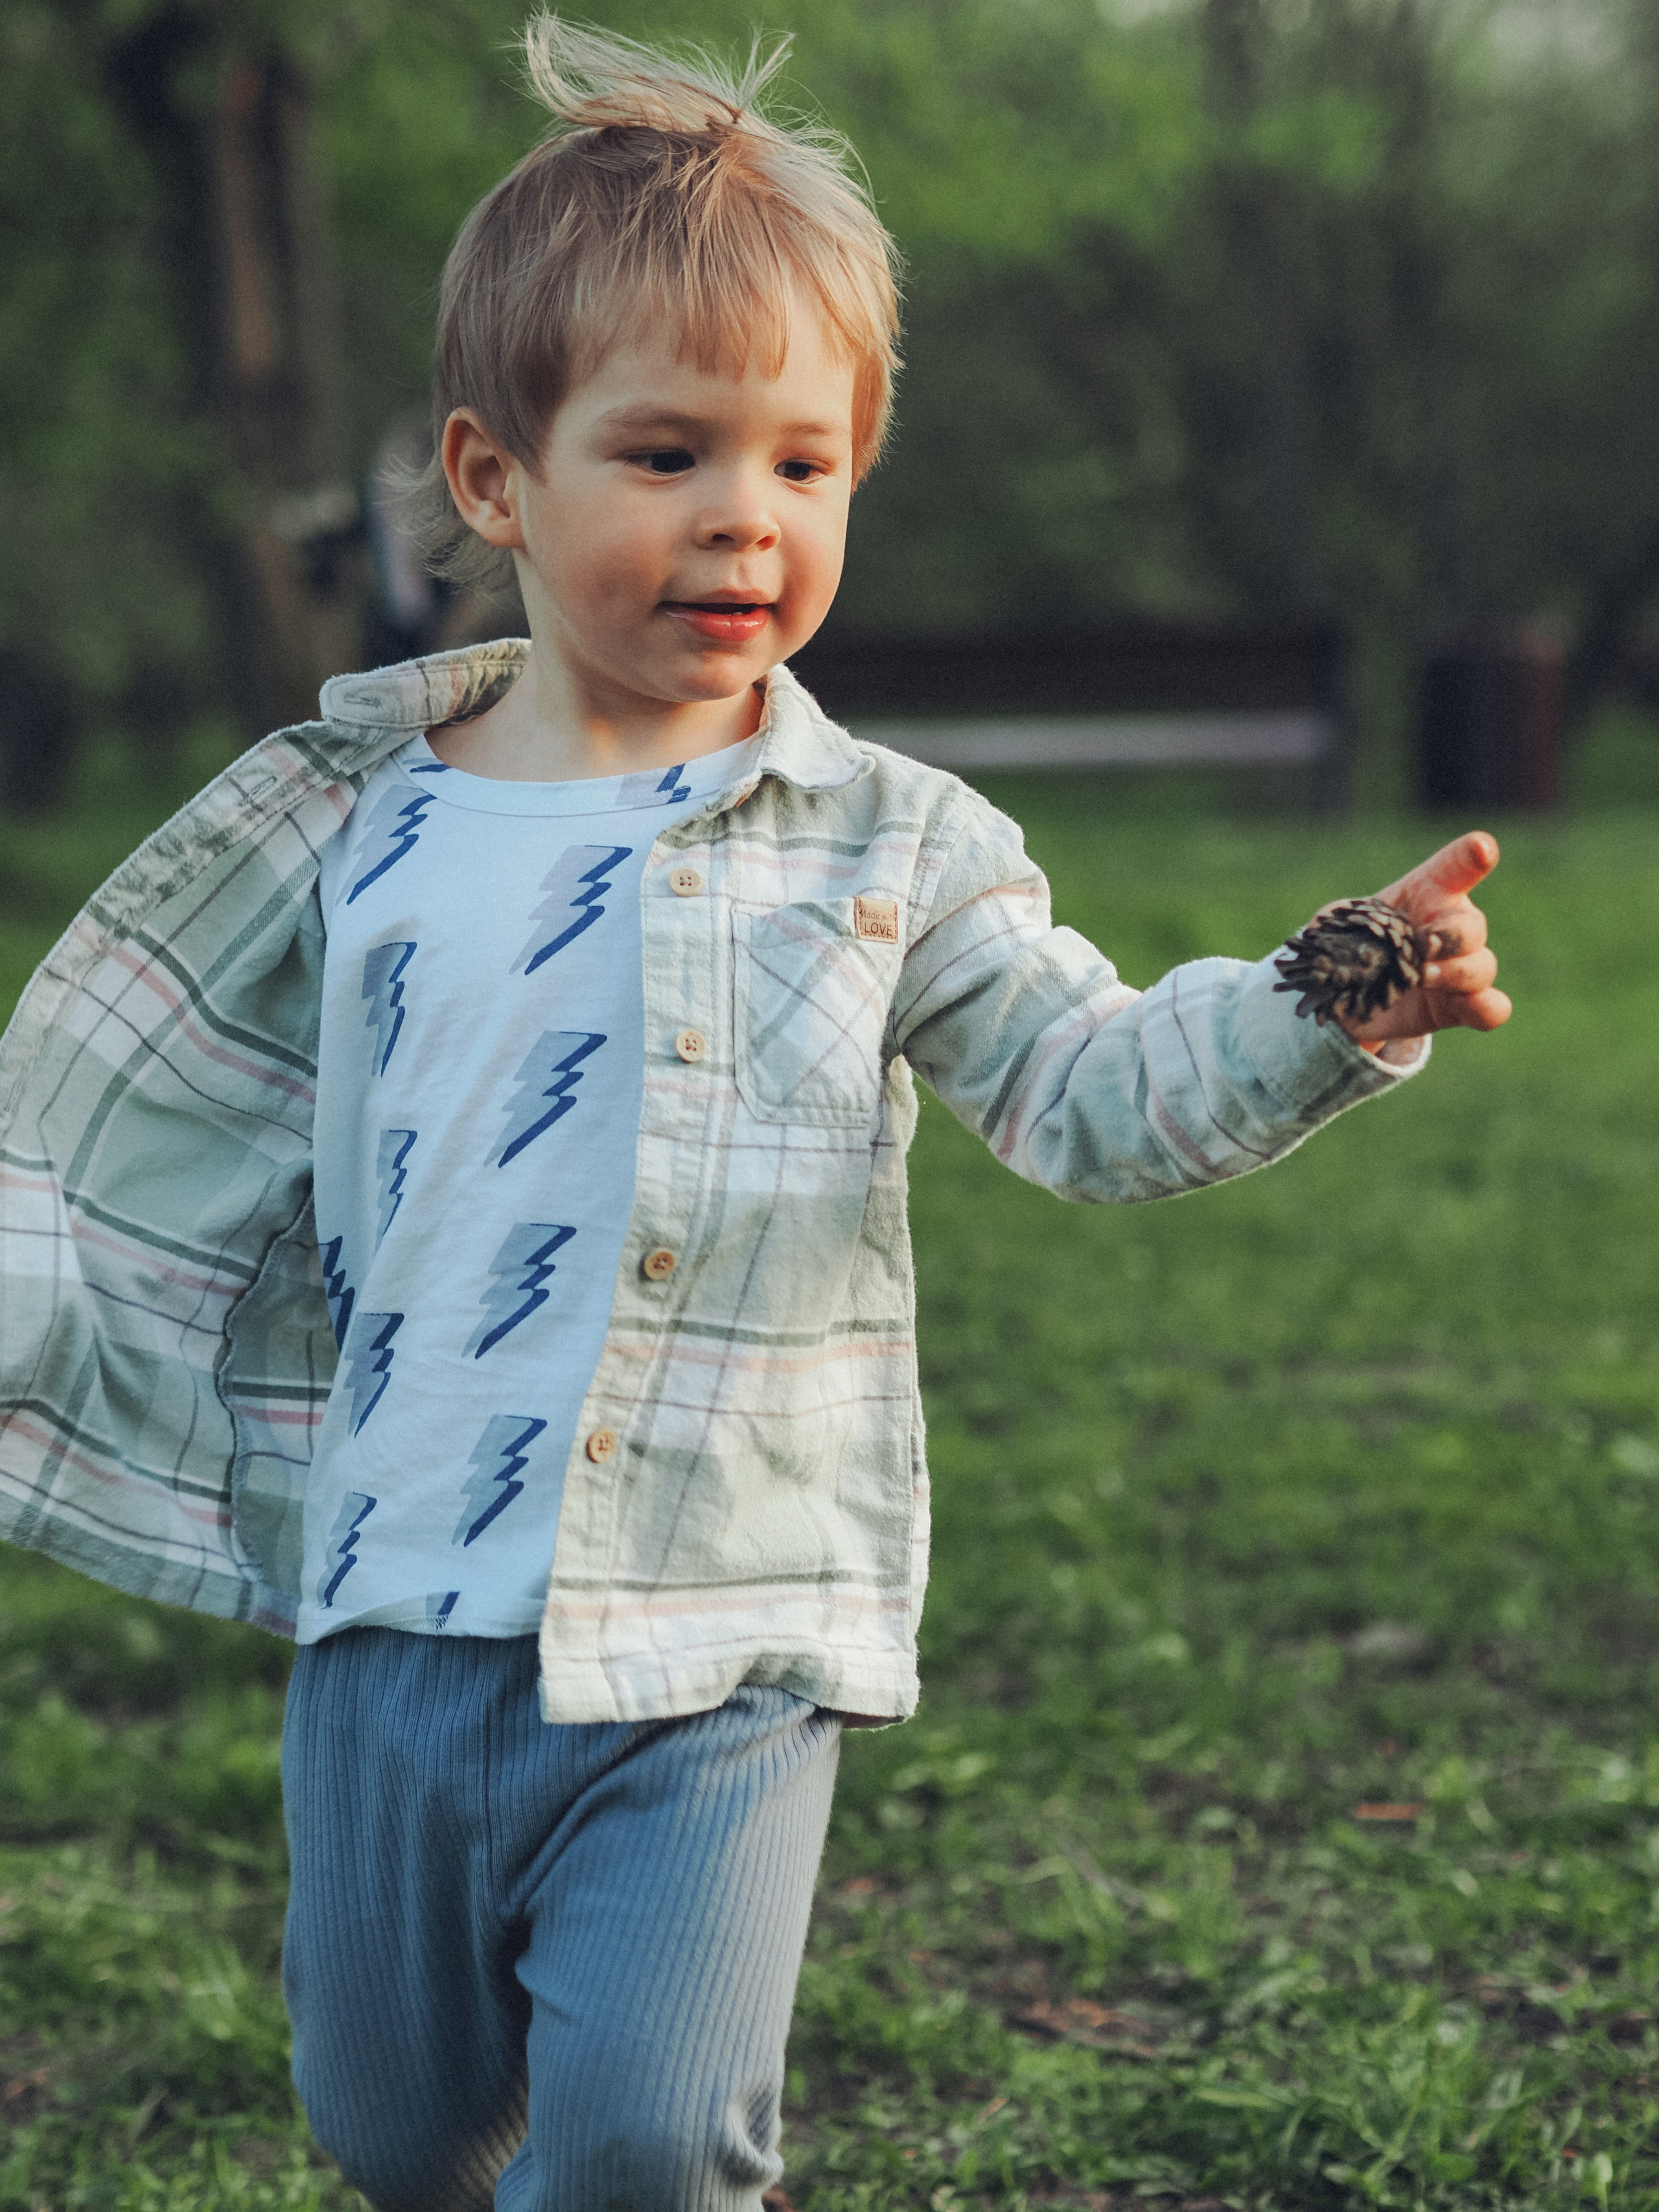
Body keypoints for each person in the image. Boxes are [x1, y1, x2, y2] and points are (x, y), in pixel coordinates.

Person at [0, 19, 1509, 2211]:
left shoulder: (889, 846)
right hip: (394, 1603)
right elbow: (114, 1133)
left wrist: (1329, 999)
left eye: (807, 466)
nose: (746, 515)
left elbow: (1089, 1088)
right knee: (397, 2130)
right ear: (495, 479)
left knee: (645, 2147)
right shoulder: (347, 829)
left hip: (722, 1621)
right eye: (668, 452)